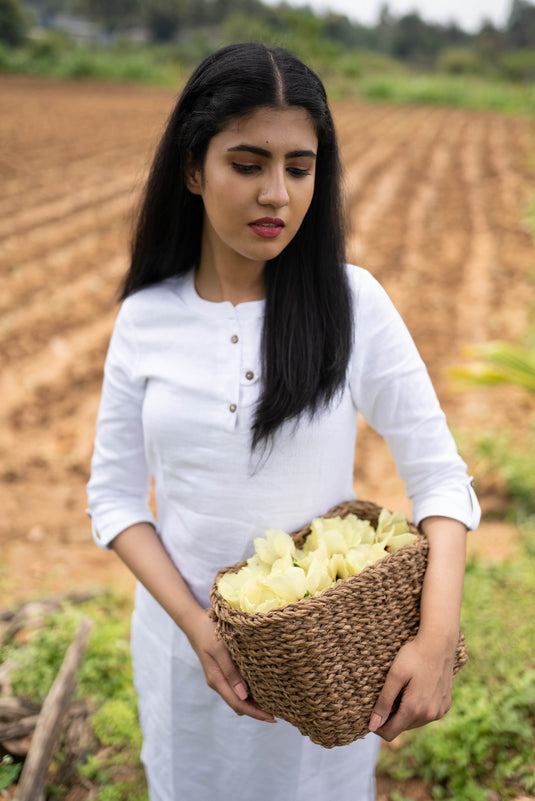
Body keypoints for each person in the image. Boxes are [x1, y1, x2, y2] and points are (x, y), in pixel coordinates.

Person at [87, 42, 480, 801]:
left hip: (325, 670)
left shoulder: (352, 302)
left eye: (298, 168)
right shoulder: (145, 318)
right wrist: (204, 631)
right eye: (248, 164)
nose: (276, 194)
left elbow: (438, 477)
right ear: (194, 169)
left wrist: (434, 641)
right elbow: (116, 501)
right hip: (184, 657)